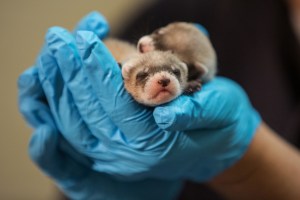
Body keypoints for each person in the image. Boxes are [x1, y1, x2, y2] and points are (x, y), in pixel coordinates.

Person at [17, 6, 300, 200]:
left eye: (175, 73)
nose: (163, 78)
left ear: (192, 76)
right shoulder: (171, 13)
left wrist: (253, 164)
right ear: (125, 73)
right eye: (146, 74)